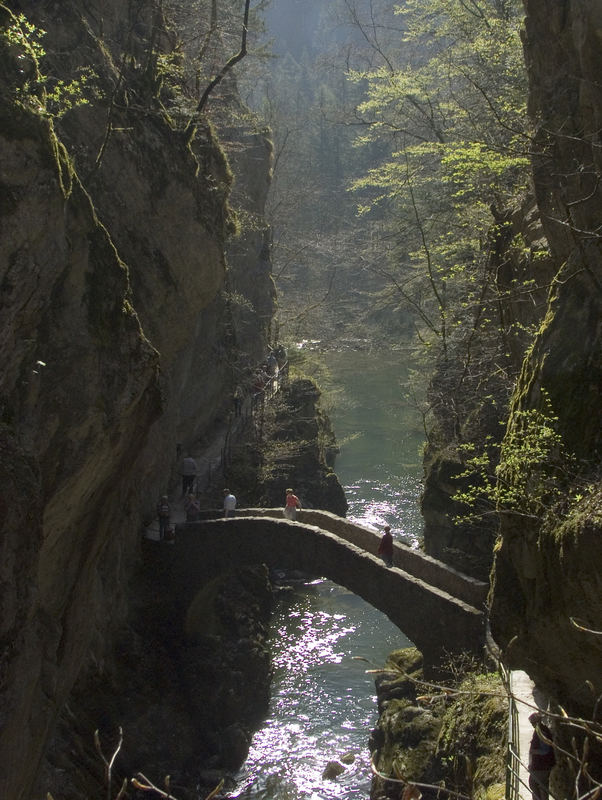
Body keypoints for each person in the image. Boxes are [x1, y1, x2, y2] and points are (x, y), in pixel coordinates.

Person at [528, 712, 555, 800]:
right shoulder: (541, 730)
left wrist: (533, 751)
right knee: (542, 786)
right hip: (543, 765)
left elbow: (545, 750)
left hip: (541, 765)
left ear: (537, 721)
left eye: (532, 723)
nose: (532, 725)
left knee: (534, 783)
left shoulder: (542, 732)